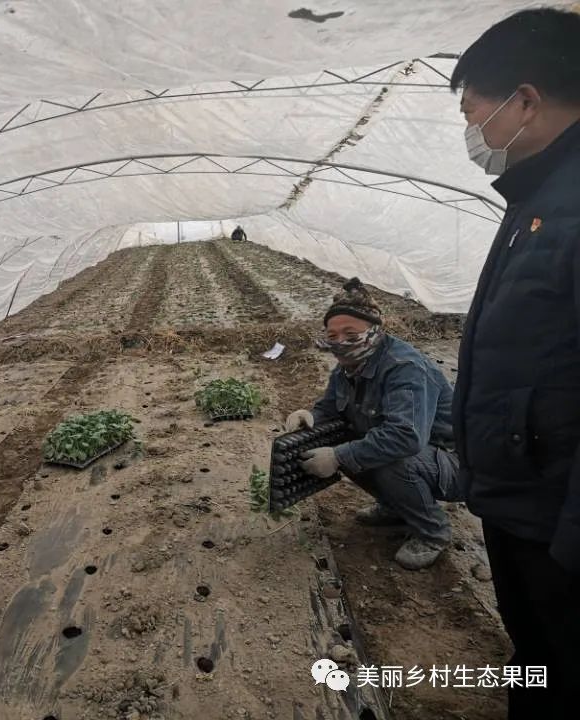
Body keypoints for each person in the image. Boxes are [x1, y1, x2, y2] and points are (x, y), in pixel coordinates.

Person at [450, 8, 580, 718]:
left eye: (473, 112)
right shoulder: (538, 196)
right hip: (523, 505)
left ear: (524, 101)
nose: (473, 133)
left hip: (555, 531)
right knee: (535, 661)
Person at [285, 278, 462, 570]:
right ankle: (396, 507)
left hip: (455, 463)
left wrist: (339, 456)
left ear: (374, 331)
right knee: (350, 441)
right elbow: (331, 407)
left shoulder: (404, 368)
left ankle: (432, 532)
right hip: (422, 455)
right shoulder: (349, 367)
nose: (340, 341)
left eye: (350, 333)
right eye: (333, 335)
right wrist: (311, 415)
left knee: (384, 456)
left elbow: (406, 437)